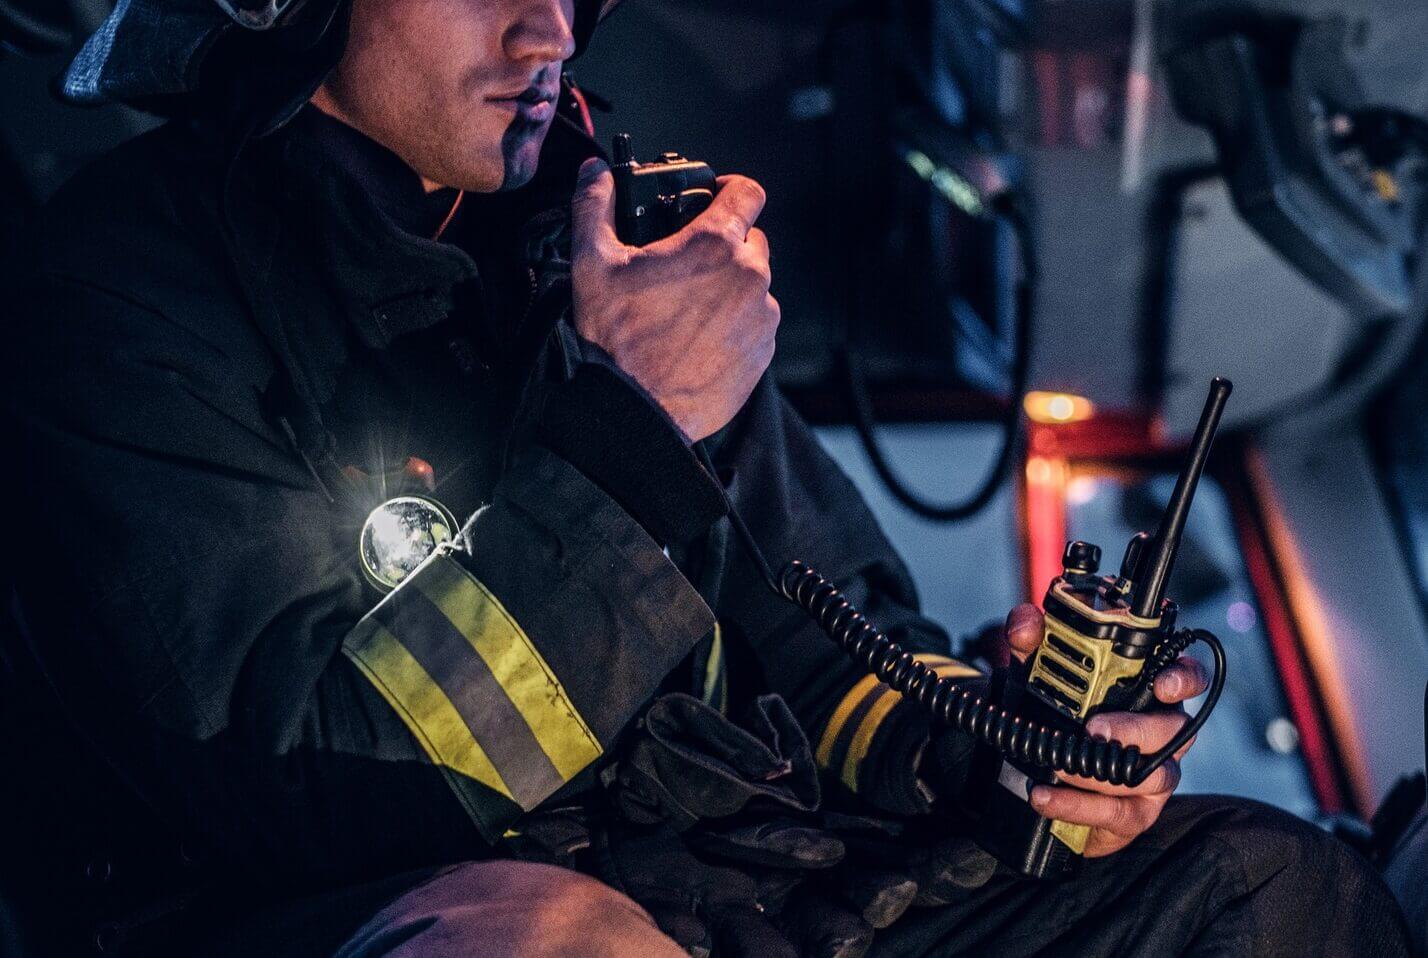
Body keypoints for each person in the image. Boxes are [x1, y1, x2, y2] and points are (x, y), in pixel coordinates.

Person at [0, 0, 1411, 955]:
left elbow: (825, 637)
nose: (546, 24)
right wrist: (633, 423)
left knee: (1269, 889)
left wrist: (1002, 744)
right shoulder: (121, 294)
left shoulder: (589, 237)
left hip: (738, 889)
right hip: (396, 907)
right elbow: (313, 792)